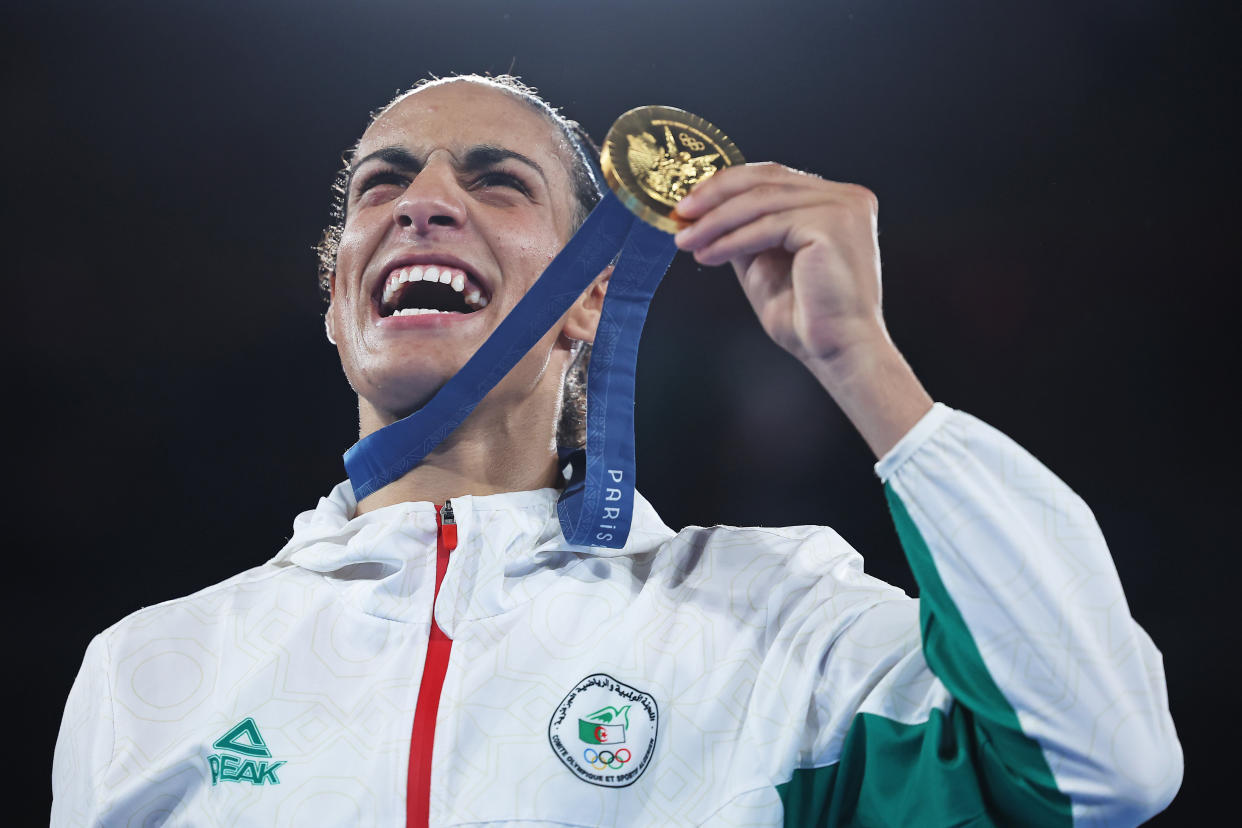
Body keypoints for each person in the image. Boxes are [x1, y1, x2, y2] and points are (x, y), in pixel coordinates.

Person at [52, 74, 1182, 827]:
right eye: (382, 182)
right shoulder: (150, 669)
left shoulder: (773, 622)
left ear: (590, 296)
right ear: (337, 300)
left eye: (495, 179)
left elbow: (1098, 764)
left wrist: (862, 362)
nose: (422, 204)